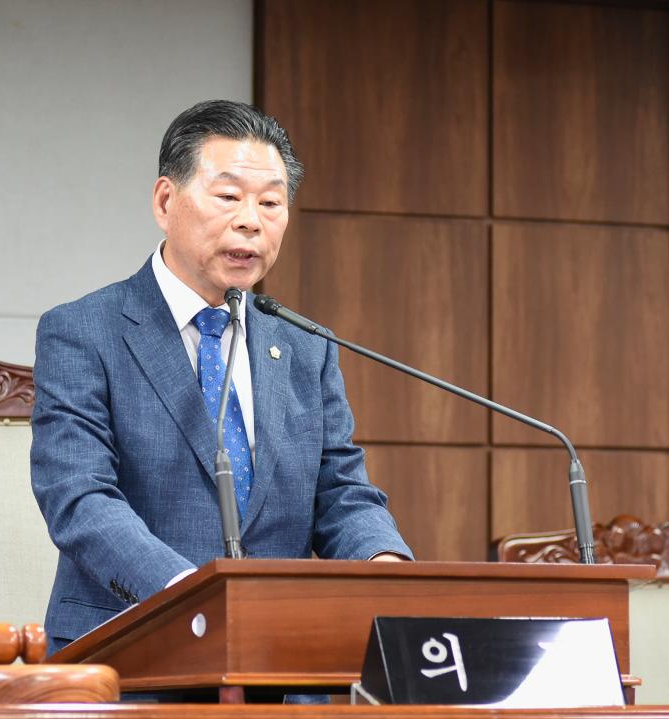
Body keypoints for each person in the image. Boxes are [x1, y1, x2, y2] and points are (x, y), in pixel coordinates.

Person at [30, 100, 412, 658]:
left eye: (271, 203)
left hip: (281, 663)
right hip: (131, 655)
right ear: (166, 201)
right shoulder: (84, 331)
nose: (251, 220)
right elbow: (79, 498)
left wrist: (385, 565)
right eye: (229, 197)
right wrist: (194, 600)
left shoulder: (305, 346)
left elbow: (340, 494)